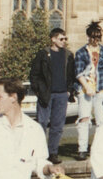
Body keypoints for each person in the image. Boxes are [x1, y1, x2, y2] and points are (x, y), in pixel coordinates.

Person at [28, 27, 75, 163]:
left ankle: (53, 153)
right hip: (46, 95)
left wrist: (68, 91)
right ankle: (40, 152)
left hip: (61, 95)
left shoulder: (68, 55)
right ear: (53, 39)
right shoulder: (43, 54)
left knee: (57, 126)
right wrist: (39, 91)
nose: (64, 41)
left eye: (65, 39)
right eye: (61, 39)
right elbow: (34, 75)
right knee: (41, 123)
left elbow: (71, 75)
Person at [73, 21, 103, 161]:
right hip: (85, 91)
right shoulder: (81, 53)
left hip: (101, 89)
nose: (95, 41)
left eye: (97, 38)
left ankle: (100, 148)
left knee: (101, 121)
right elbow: (78, 73)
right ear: (88, 37)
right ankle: (82, 149)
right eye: (92, 38)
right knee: (84, 119)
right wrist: (87, 87)